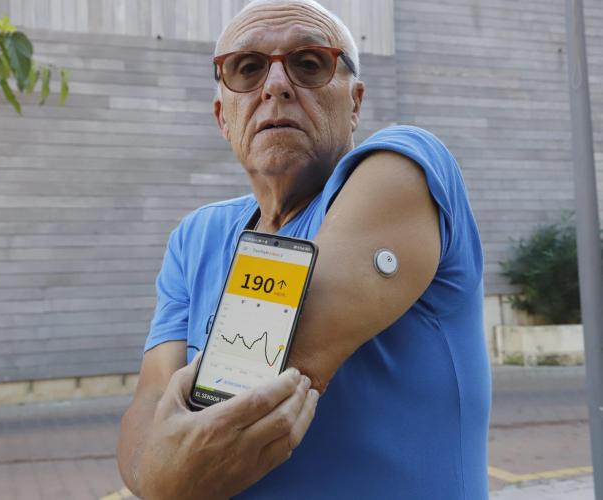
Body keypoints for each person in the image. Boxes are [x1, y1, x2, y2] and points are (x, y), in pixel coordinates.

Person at [117, 0, 490, 498]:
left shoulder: (408, 168)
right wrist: (159, 465)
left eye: (309, 64)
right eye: (247, 69)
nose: (275, 85)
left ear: (355, 102)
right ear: (222, 117)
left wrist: (165, 478)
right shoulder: (195, 237)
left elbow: (249, 374)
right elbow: (147, 404)